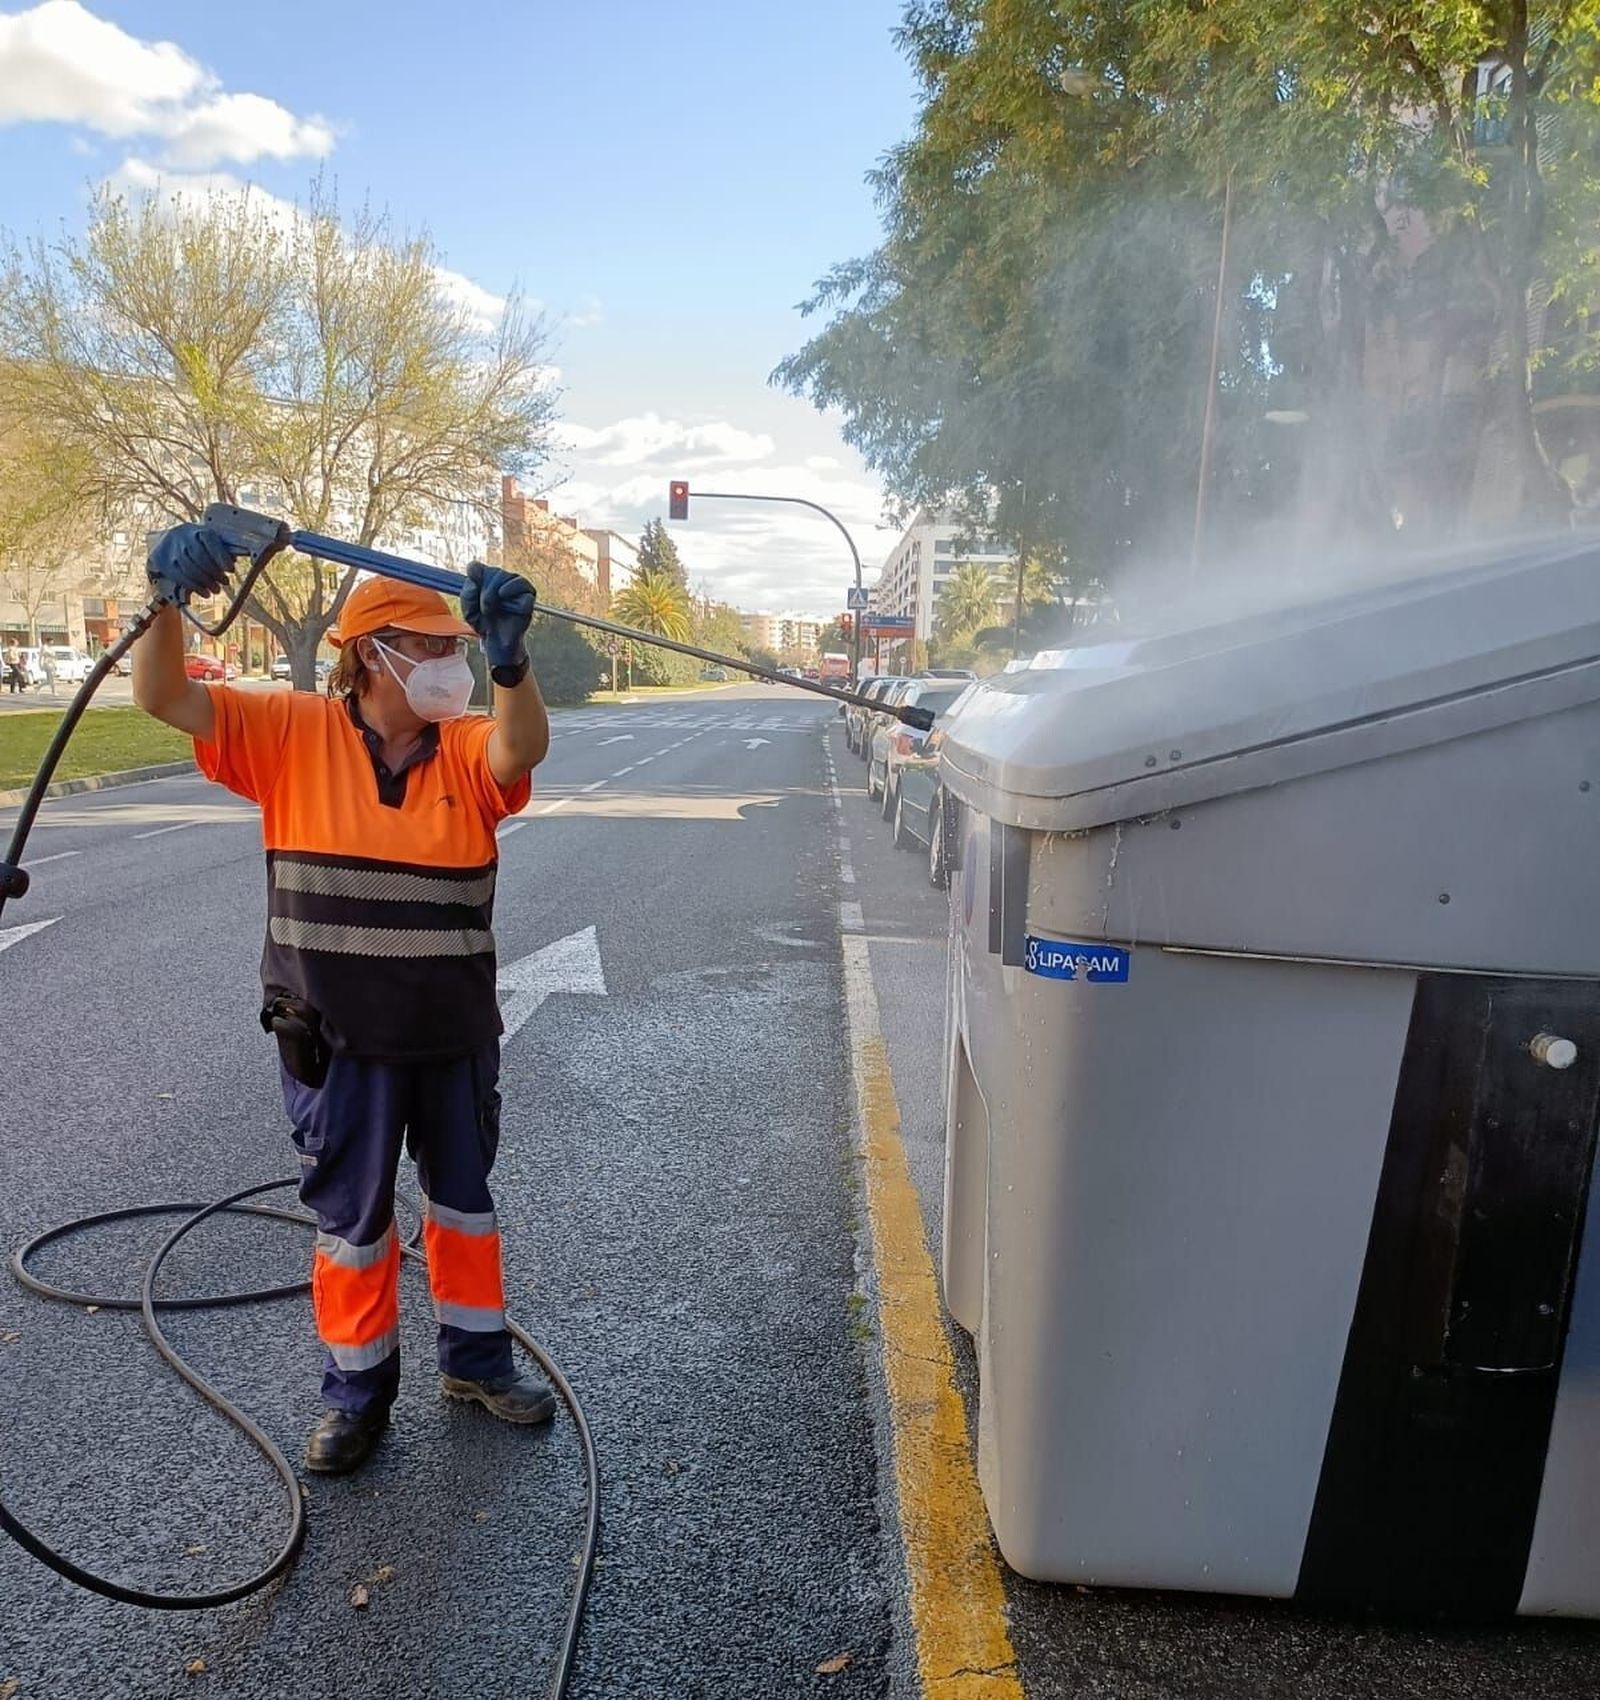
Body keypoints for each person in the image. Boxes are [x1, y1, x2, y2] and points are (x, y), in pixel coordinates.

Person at [133, 522, 553, 1475]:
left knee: (463, 1206)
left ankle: (477, 1364)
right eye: (433, 646)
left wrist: (512, 663)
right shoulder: (288, 733)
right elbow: (163, 695)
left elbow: (519, 748)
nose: (449, 663)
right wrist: (163, 598)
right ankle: (356, 1398)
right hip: (337, 1037)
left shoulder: (464, 746)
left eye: (456, 646)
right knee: (353, 1226)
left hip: (450, 1032)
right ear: (372, 654)